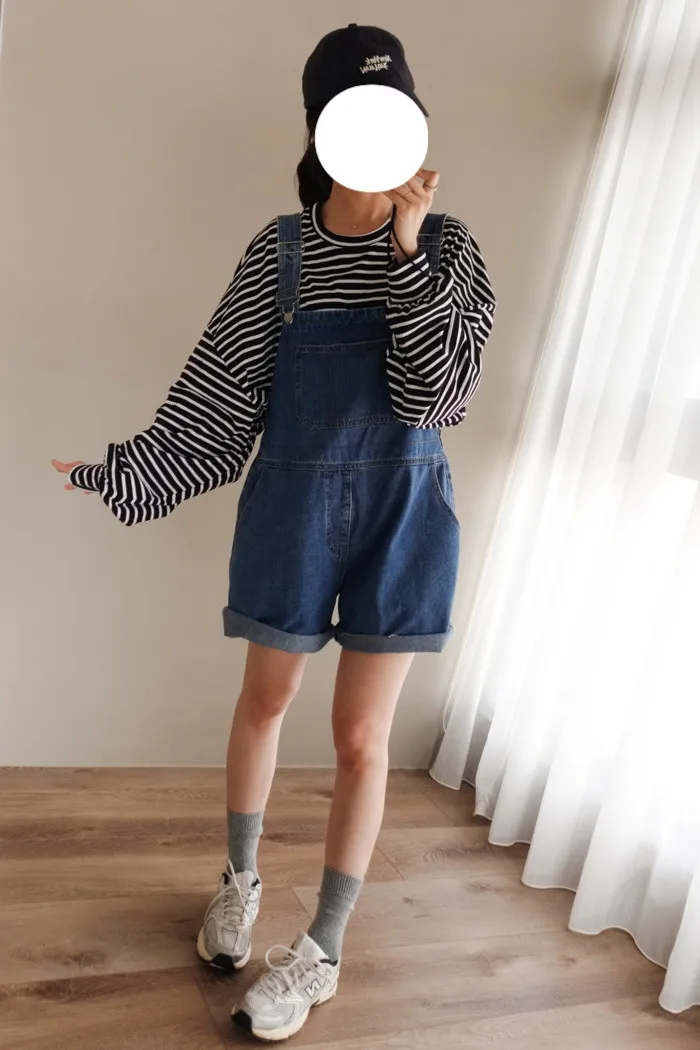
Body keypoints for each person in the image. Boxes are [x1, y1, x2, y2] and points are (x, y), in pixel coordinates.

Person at [52, 22, 496, 1044]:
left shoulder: (452, 250)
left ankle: (323, 949)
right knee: (264, 703)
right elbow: (217, 402)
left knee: (361, 740)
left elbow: (439, 397)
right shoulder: (280, 253)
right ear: (321, 128)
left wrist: (408, 251)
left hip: (403, 517)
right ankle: (239, 883)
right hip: (292, 512)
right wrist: (124, 471)